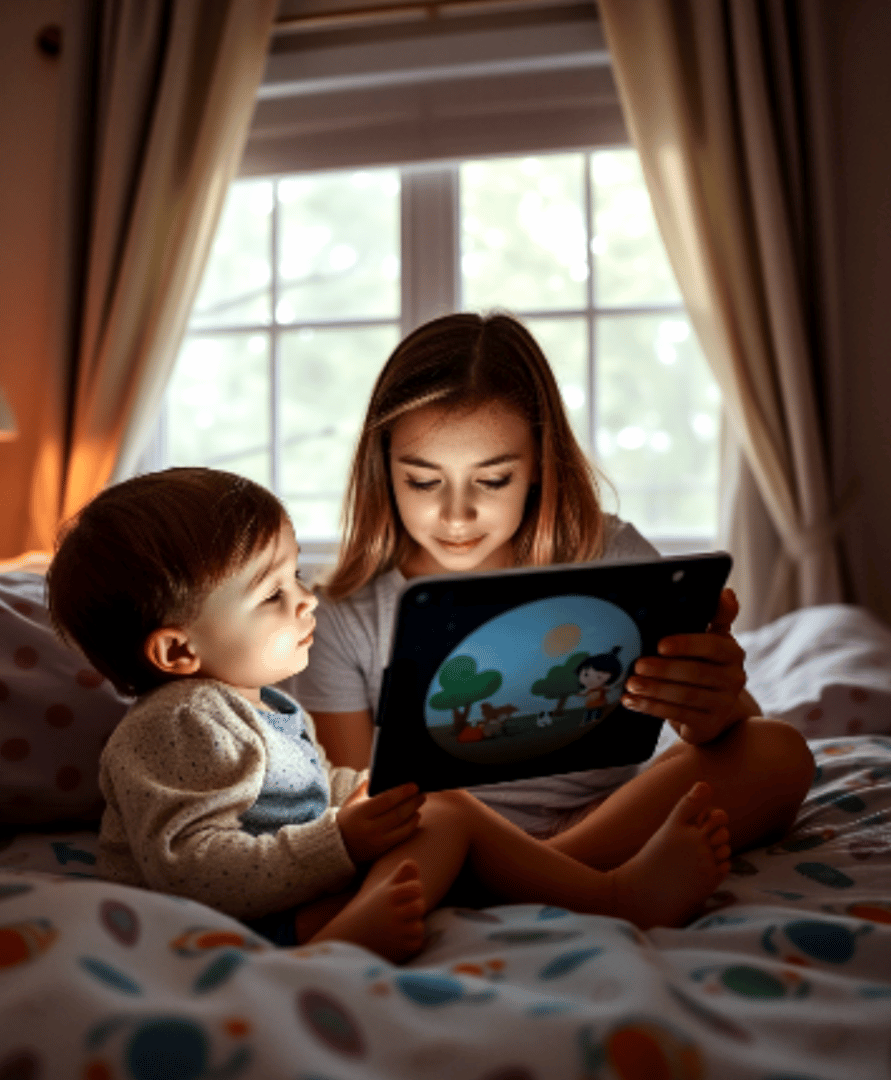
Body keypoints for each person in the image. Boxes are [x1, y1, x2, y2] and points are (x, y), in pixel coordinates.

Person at [46, 467, 733, 964]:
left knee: (435, 804)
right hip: (229, 927)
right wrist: (342, 840)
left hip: (287, 900)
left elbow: (301, 801)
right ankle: (609, 900)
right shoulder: (179, 722)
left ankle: (596, 892)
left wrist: (367, 798)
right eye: (273, 594)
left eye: (297, 577)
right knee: (448, 814)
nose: (307, 600)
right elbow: (193, 871)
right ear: (177, 649)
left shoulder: (258, 706)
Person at [288, 312, 815, 873]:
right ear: (383, 467)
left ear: (539, 462)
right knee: (394, 815)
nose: (457, 514)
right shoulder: (345, 613)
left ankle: (536, 873)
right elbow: (355, 808)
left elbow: (729, 734)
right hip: (439, 834)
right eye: (423, 481)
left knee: (777, 752)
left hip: (606, 817)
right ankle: (582, 882)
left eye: (493, 480)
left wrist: (711, 704)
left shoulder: (614, 557)